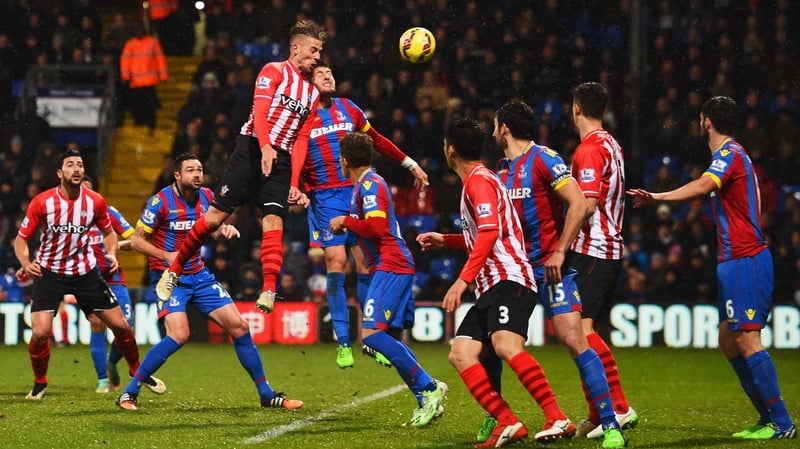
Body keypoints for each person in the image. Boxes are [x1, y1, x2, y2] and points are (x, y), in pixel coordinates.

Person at [627, 96, 797, 440]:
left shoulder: (730, 154)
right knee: (728, 339)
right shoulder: (730, 155)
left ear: (706, 121)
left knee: (748, 339)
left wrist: (658, 197)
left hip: (746, 258)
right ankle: (767, 418)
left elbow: (703, 187)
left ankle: (782, 423)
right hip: (733, 260)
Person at [475, 99, 625, 448]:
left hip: (550, 269)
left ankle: (611, 423)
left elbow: (578, 202)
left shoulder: (544, 158)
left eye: (496, 125)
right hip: (515, 272)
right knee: (493, 343)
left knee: (575, 338)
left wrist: (559, 250)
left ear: (505, 129)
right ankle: (498, 418)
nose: (494, 131)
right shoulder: (499, 171)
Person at [155, 20, 325, 315]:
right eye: (313, 50)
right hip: (251, 148)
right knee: (214, 218)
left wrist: (294, 180)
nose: (317, 57)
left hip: (281, 159)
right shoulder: (273, 71)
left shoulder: (312, 93)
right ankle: (175, 269)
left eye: (320, 52)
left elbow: (301, 139)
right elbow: (259, 112)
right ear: (295, 48)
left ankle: (269, 289)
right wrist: (265, 147)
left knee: (273, 221)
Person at [116, 153, 302, 411]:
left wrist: (221, 230)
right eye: (190, 170)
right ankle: (129, 392)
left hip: (199, 275)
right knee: (179, 334)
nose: (197, 174)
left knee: (240, 327)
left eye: (200, 169)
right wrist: (167, 256)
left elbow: (209, 227)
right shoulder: (160, 202)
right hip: (170, 278)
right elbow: (136, 241)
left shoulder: (207, 197)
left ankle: (266, 394)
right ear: (177, 175)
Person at [415, 118, 556, 448]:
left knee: (506, 347)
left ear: (450, 150)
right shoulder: (480, 181)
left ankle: (555, 415)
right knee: (461, 353)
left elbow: (491, 233)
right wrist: (447, 240)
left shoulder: (478, 182)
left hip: (508, 277)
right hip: (493, 283)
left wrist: (460, 281)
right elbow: (486, 232)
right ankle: (507, 422)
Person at [291, 60, 429, 368]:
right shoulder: (302, 117)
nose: (328, 75)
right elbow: (295, 154)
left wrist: (409, 164)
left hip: (354, 190)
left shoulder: (349, 109)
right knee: (336, 260)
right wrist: (296, 186)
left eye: (330, 71)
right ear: (308, 82)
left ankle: (371, 335)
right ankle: (343, 340)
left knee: (366, 261)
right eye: (320, 73)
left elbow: (377, 140)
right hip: (325, 195)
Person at [13, 149, 160, 400]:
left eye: (79, 164)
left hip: (85, 274)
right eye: (70, 165)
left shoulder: (95, 201)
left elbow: (109, 233)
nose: (76, 169)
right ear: (60, 173)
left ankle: (138, 373)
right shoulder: (42, 202)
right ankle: (40, 383)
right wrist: (26, 263)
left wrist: (111, 253)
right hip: (50, 273)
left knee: (122, 327)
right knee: (39, 334)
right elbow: (21, 239)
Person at [328, 132, 446, 426]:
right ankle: (425, 399)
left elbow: (378, 228)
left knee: (371, 335)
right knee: (392, 337)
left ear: (345, 161)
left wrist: (346, 221)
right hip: (393, 263)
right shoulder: (366, 185)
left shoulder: (370, 185)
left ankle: (430, 386)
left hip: (391, 263)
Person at [568, 82, 638, 438]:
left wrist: (562, 240)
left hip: (594, 248)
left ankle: (619, 408)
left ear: (576, 108)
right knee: (578, 332)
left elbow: (588, 204)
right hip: (605, 248)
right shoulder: (612, 143)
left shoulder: (591, 149)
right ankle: (599, 412)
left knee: (581, 331)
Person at [81, 176, 137, 394]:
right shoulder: (70, 218)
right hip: (87, 280)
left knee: (126, 326)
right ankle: (102, 380)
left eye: (89, 191)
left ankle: (112, 362)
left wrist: (113, 247)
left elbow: (134, 239)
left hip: (114, 278)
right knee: (97, 323)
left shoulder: (107, 212)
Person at [119, 23, 168, 132]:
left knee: (145, 107)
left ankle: (146, 126)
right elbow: (125, 62)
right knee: (141, 106)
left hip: (143, 82)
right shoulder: (139, 43)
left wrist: (163, 75)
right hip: (141, 82)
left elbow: (160, 59)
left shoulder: (147, 43)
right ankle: (143, 126)